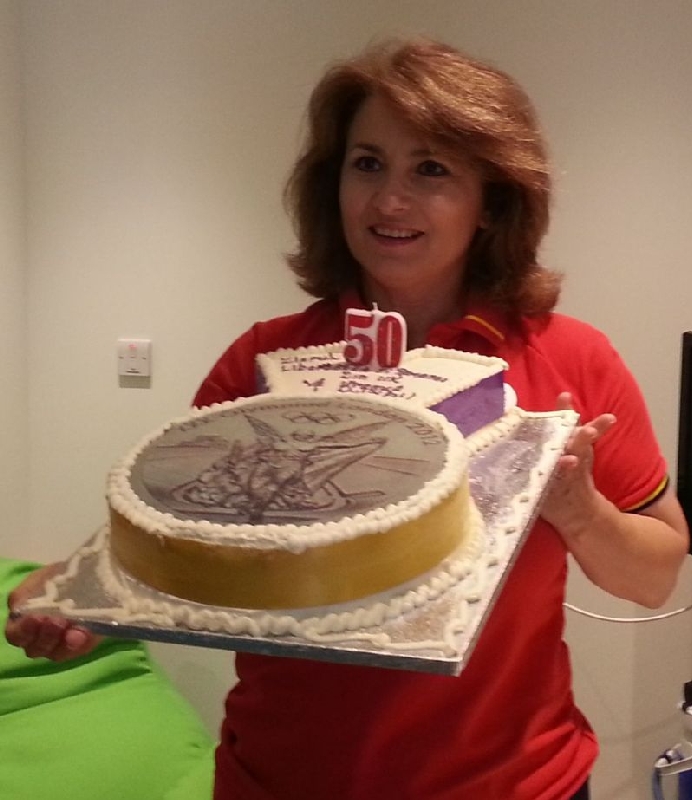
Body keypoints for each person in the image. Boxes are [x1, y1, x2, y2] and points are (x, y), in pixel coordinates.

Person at [6, 37, 689, 800]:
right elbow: (189, 550)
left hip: (514, 785)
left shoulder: (570, 359)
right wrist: (88, 605)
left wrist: (579, 510)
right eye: (367, 164)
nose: (389, 200)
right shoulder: (265, 364)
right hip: (278, 780)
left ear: (492, 200)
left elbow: (657, 575)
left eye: (431, 169)